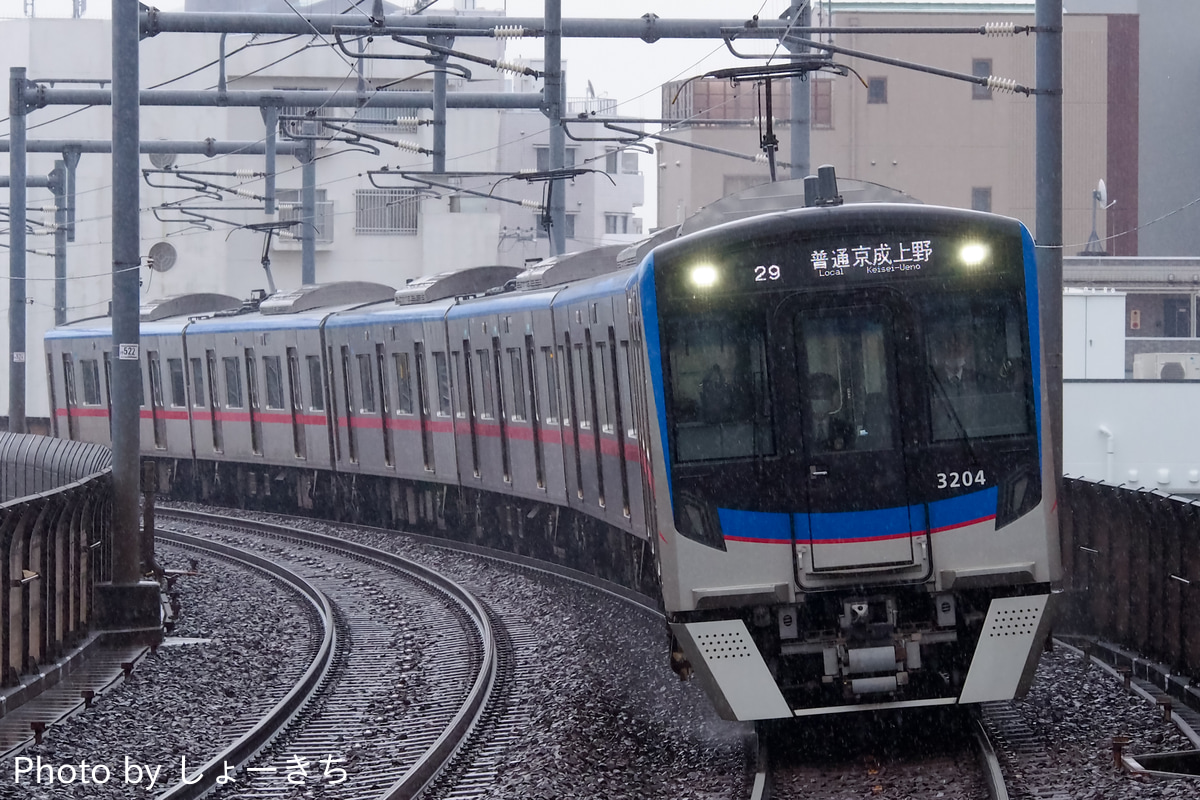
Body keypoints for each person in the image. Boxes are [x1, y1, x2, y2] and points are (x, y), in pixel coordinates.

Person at [808, 372, 855, 451]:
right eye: (815, 397)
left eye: (825, 397)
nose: (820, 401)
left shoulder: (845, 429)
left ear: (831, 399)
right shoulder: (799, 430)